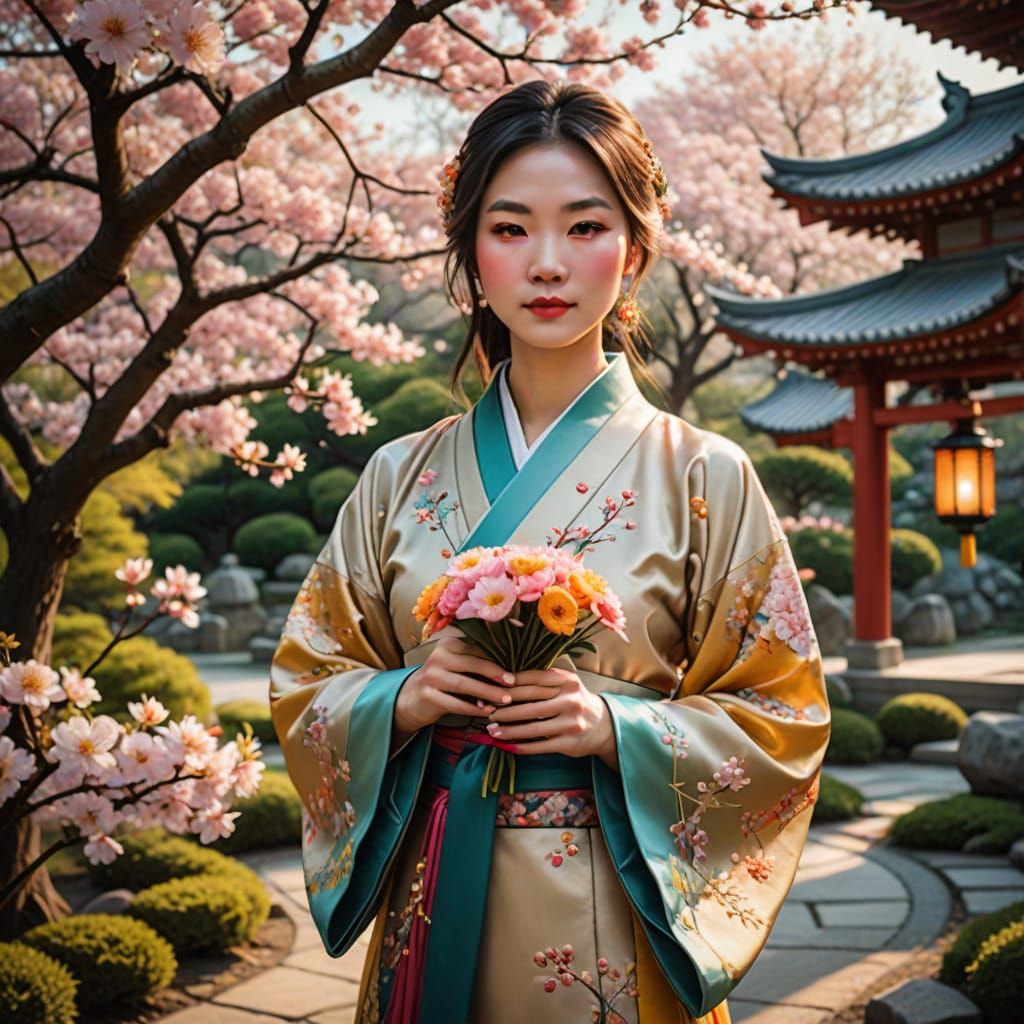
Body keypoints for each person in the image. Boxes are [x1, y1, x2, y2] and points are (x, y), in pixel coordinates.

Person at [269, 79, 831, 1024]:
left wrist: (619, 727)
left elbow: (785, 712)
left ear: (637, 246)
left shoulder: (708, 476)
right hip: (434, 882)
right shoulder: (397, 476)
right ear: (469, 253)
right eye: (510, 226)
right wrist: (396, 700)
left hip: (613, 901)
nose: (546, 264)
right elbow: (306, 679)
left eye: (583, 226)